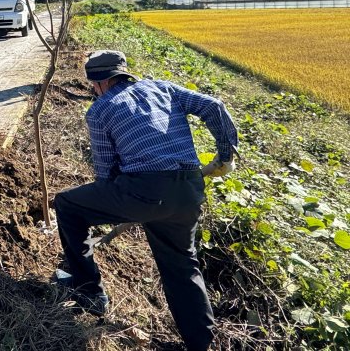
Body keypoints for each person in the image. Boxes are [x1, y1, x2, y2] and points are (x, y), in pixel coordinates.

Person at [53, 50, 237, 351]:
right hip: (189, 190)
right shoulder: (163, 87)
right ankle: (200, 344)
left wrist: (129, 201)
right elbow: (214, 106)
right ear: (124, 72)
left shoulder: (100, 110)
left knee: (68, 206)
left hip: (143, 190)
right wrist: (225, 156)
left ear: (98, 83)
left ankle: (89, 292)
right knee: (182, 268)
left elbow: (104, 173)